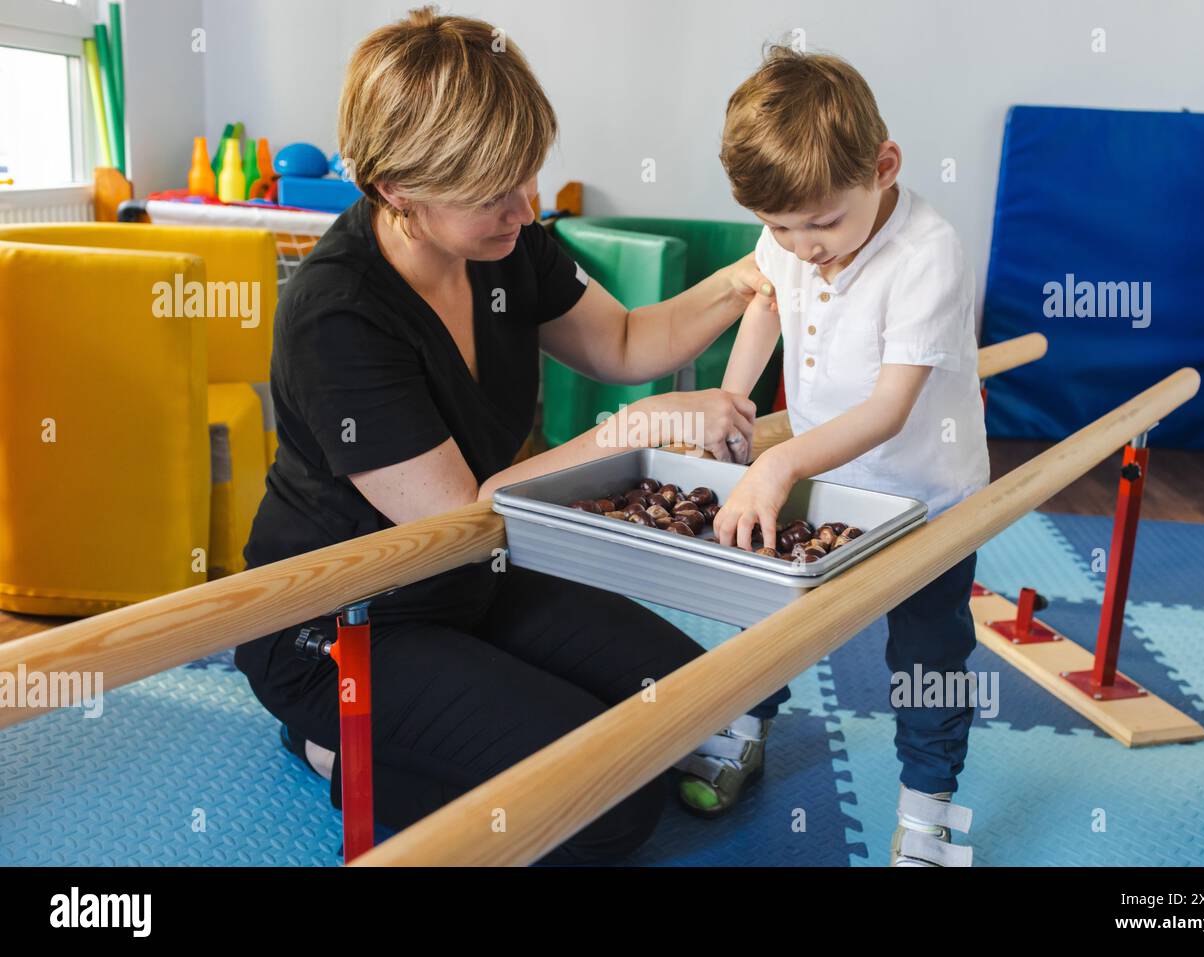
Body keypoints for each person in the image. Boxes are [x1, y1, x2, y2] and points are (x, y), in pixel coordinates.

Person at [233, 7, 789, 865]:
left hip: (476, 582)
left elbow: (628, 340)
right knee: (609, 805)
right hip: (344, 628)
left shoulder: (508, 244)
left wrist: (745, 275)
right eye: (493, 192)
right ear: (395, 190)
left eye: (526, 178)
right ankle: (335, 749)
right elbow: (461, 511)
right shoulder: (338, 314)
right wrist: (642, 425)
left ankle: (464, 730)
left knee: (718, 697)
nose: (524, 209)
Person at [712, 44, 990, 866]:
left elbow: (888, 407)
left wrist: (778, 461)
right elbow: (765, 296)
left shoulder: (927, 251)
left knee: (927, 656)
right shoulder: (794, 238)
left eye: (822, 223)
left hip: (924, 499)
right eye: (779, 227)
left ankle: (927, 805)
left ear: (885, 165)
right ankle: (738, 728)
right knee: (761, 613)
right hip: (821, 479)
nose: (804, 247)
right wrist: (736, 394)